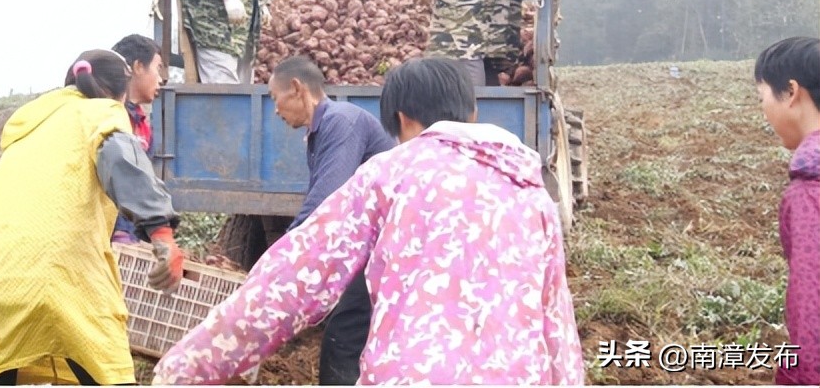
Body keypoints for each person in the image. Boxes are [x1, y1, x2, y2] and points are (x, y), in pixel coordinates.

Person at [152, 56, 583, 385]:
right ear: (472, 114)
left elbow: (296, 278)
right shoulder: (533, 196)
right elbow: (557, 322)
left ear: (401, 119)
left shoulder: (391, 173)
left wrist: (186, 367)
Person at [0, 49, 185, 386]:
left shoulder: (27, 131)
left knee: (0, 373)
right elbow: (122, 161)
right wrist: (162, 234)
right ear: (117, 93)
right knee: (107, 371)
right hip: (62, 274)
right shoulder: (102, 113)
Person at [266, 56, 396, 384]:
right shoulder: (322, 129)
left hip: (386, 247)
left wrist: (280, 257)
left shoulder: (340, 122)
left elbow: (325, 200)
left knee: (344, 337)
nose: (276, 110)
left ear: (297, 89)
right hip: (373, 246)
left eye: (274, 98)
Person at [754, 36, 819, 386]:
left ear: (791, 92)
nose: (763, 110)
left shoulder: (810, 189)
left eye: (762, 97)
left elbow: (813, 311)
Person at [107, 33, 165, 244]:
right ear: (138, 67)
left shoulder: (142, 125)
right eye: (157, 68)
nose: (161, 79)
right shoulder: (106, 118)